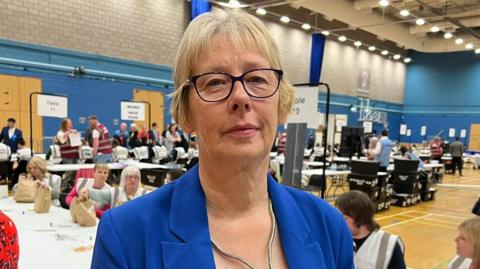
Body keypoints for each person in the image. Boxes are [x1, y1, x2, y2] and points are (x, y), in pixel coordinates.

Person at [92, 10, 354, 269]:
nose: (241, 97)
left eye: (257, 78)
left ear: (281, 103)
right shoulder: (126, 236)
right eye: (216, 82)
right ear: (186, 113)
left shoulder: (328, 227)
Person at [336, 191, 406, 269]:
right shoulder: (335, 239)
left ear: (361, 218)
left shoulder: (389, 244)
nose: (338, 223)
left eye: (344, 218)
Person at [81, 166, 148, 209]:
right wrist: (87, 191)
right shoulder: (115, 192)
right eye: (129, 177)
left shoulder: (145, 194)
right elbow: (99, 194)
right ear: (123, 179)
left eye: (136, 177)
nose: (133, 180)